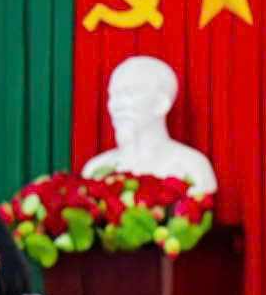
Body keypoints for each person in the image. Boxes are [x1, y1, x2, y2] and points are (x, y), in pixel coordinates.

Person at [81, 55, 218, 194]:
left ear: (161, 104)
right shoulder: (95, 169)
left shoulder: (192, 167)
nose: (116, 105)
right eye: (113, 95)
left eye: (129, 93)